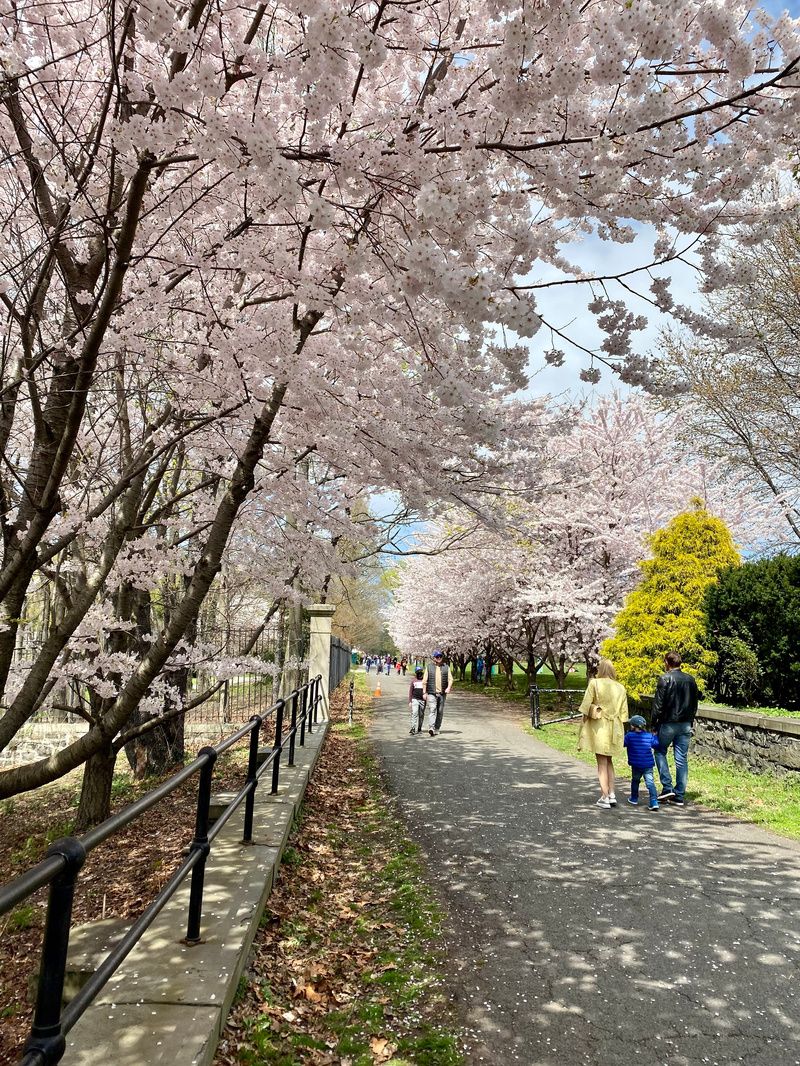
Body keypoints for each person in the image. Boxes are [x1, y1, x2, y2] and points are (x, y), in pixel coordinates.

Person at [577, 658, 628, 808]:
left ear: (600, 669)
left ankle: (604, 796)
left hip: (600, 726)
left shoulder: (594, 683)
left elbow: (586, 705)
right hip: (615, 727)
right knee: (609, 761)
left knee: (601, 762)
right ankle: (611, 794)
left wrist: (584, 722)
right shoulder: (621, 687)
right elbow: (624, 715)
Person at [652, 651, 699, 807]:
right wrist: (690, 720)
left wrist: (654, 725)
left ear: (667, 662)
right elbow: (694, 703)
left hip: (668, 723)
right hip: (685, 723)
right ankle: (679, 795)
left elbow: (658, 705)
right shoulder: (690, 680)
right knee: (681, 759)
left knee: (659, 751)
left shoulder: (665, 679)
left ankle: (667, 787)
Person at [623, 715, 660, 811]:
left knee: (635, 781)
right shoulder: (649, 736)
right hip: (648, 765)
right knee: (650, 783)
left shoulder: (629, 736)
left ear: (633, 726)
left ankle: (634, 798)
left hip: (636, 765)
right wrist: (655, 736)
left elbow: (623, 743)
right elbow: (656, 745)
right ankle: (654, 801)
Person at [423, 649, 452, 736]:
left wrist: (448, 688)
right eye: (437, 657)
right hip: (432, 693)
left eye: (440, 656)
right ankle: (431, 728)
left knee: (440, 711)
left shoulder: (446, 667)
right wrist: (424, 692)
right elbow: (424, 681)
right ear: (434, 658)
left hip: (442, 693)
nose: (439, 658)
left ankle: (437, 728)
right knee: (432, 709)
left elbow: (450, 679)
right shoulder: (429, 667)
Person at [408, 667, 426, 734]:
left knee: (421, 714)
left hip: (422, 700)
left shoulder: (424, 680)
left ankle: (419, 728)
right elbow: (410, 691)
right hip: (415, 698)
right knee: (414, 713)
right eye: (418, 672)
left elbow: (427, 690)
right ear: (416, 673)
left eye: (421, 672)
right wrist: (410, 701)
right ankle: (413, 728)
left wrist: (426, 696)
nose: (420, 674)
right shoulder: (414, 680)